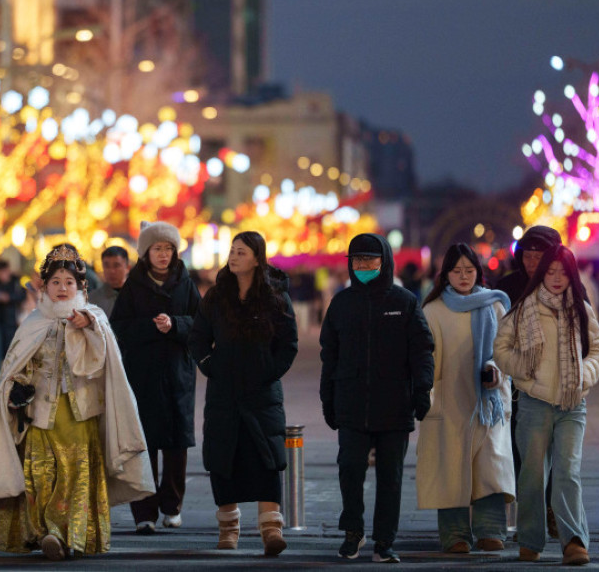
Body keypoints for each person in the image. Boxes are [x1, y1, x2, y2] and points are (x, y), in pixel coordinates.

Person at [0, 243, 153, 561]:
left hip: (80, 416)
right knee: (41, 476)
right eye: (55, 282)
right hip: (40, 415)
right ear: (44, 287)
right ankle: (48, 532)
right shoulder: (33, 322)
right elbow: (17, 367)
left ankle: (69, 533)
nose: (62, 288)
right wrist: (17, 388)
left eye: (68, 282)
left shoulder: (94, 318)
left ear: (80, 286)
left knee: (76, 476)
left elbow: (107, 364)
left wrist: (90, 328)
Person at [320, 232, 434, 563]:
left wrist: (422, 389)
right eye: (357, 260)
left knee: (391, 476)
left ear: (384, 262)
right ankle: (353, 531)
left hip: (394, 402)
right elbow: (330, 354)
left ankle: (385, 541)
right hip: (352, 400)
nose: (364, 265)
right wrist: (328, 397)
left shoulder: (404, 302)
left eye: (370, 260)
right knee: (350, 469)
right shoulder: (341, 303)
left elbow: (422, 350)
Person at [188, 231, 298, 556]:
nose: (234, 257)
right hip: (224, 392)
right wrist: (212, 366)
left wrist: (268, 372)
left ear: (256, 258)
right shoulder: (216, 296)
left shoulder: (275, 296)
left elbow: (288, 344)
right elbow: (197, 339)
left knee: (266, 457)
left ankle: (271, 530)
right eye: (232, 251)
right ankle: (229, 527)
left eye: (241, 252)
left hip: (262, 394)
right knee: (224, 457)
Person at [494, 244, 599, 566]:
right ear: (542, 274)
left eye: (563, 272)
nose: (556, 279)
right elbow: (500, 349)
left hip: (573, 404)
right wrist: (522, 371)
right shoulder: (524, 308)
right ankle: (530, 540)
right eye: (551, 271)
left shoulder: (580, 307)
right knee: (532, 475)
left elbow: (597, 347)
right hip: (534, 404)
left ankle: (573, 541)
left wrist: (584, 373)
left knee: (568, 472)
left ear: (572, 275)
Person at [415, 243, 514, 553]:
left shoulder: (494, 306)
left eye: (469, 270)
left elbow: (506, 351)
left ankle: (490, 530)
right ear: (445, 274)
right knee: (451, 469)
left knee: (490, 468)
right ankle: (455, 533)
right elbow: (426, 359)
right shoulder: (433, 310)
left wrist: (496, 369)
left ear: (478, 272)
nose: (463, 276)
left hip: (488, 402)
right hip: (448, 400)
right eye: (456, 271)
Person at [111, 223, 199, 534]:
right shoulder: (133, 285)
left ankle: (172, 506)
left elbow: (200, 324)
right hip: (142, 375)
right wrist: (151, 327)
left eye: (168, 249)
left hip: (177, 375)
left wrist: (175, 324)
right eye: (157, 249)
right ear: (146, 253)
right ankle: (144, 511)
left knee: (176, 445)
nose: (163, 254)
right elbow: (118, 326)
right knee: (143, 444)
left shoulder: (186, 283)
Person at [0, 259, 27, 379]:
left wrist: (8, 298)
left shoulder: (16, 282)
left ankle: (11, 369)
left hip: (12, 320)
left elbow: (22, 296)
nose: (3, 275)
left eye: (5, 272)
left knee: (11, 345)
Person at [89, 245, 131, 318]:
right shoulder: (92, 299)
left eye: (116, 265)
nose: (111, 271)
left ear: (127, 268)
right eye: (107, 266)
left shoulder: (139, 296)